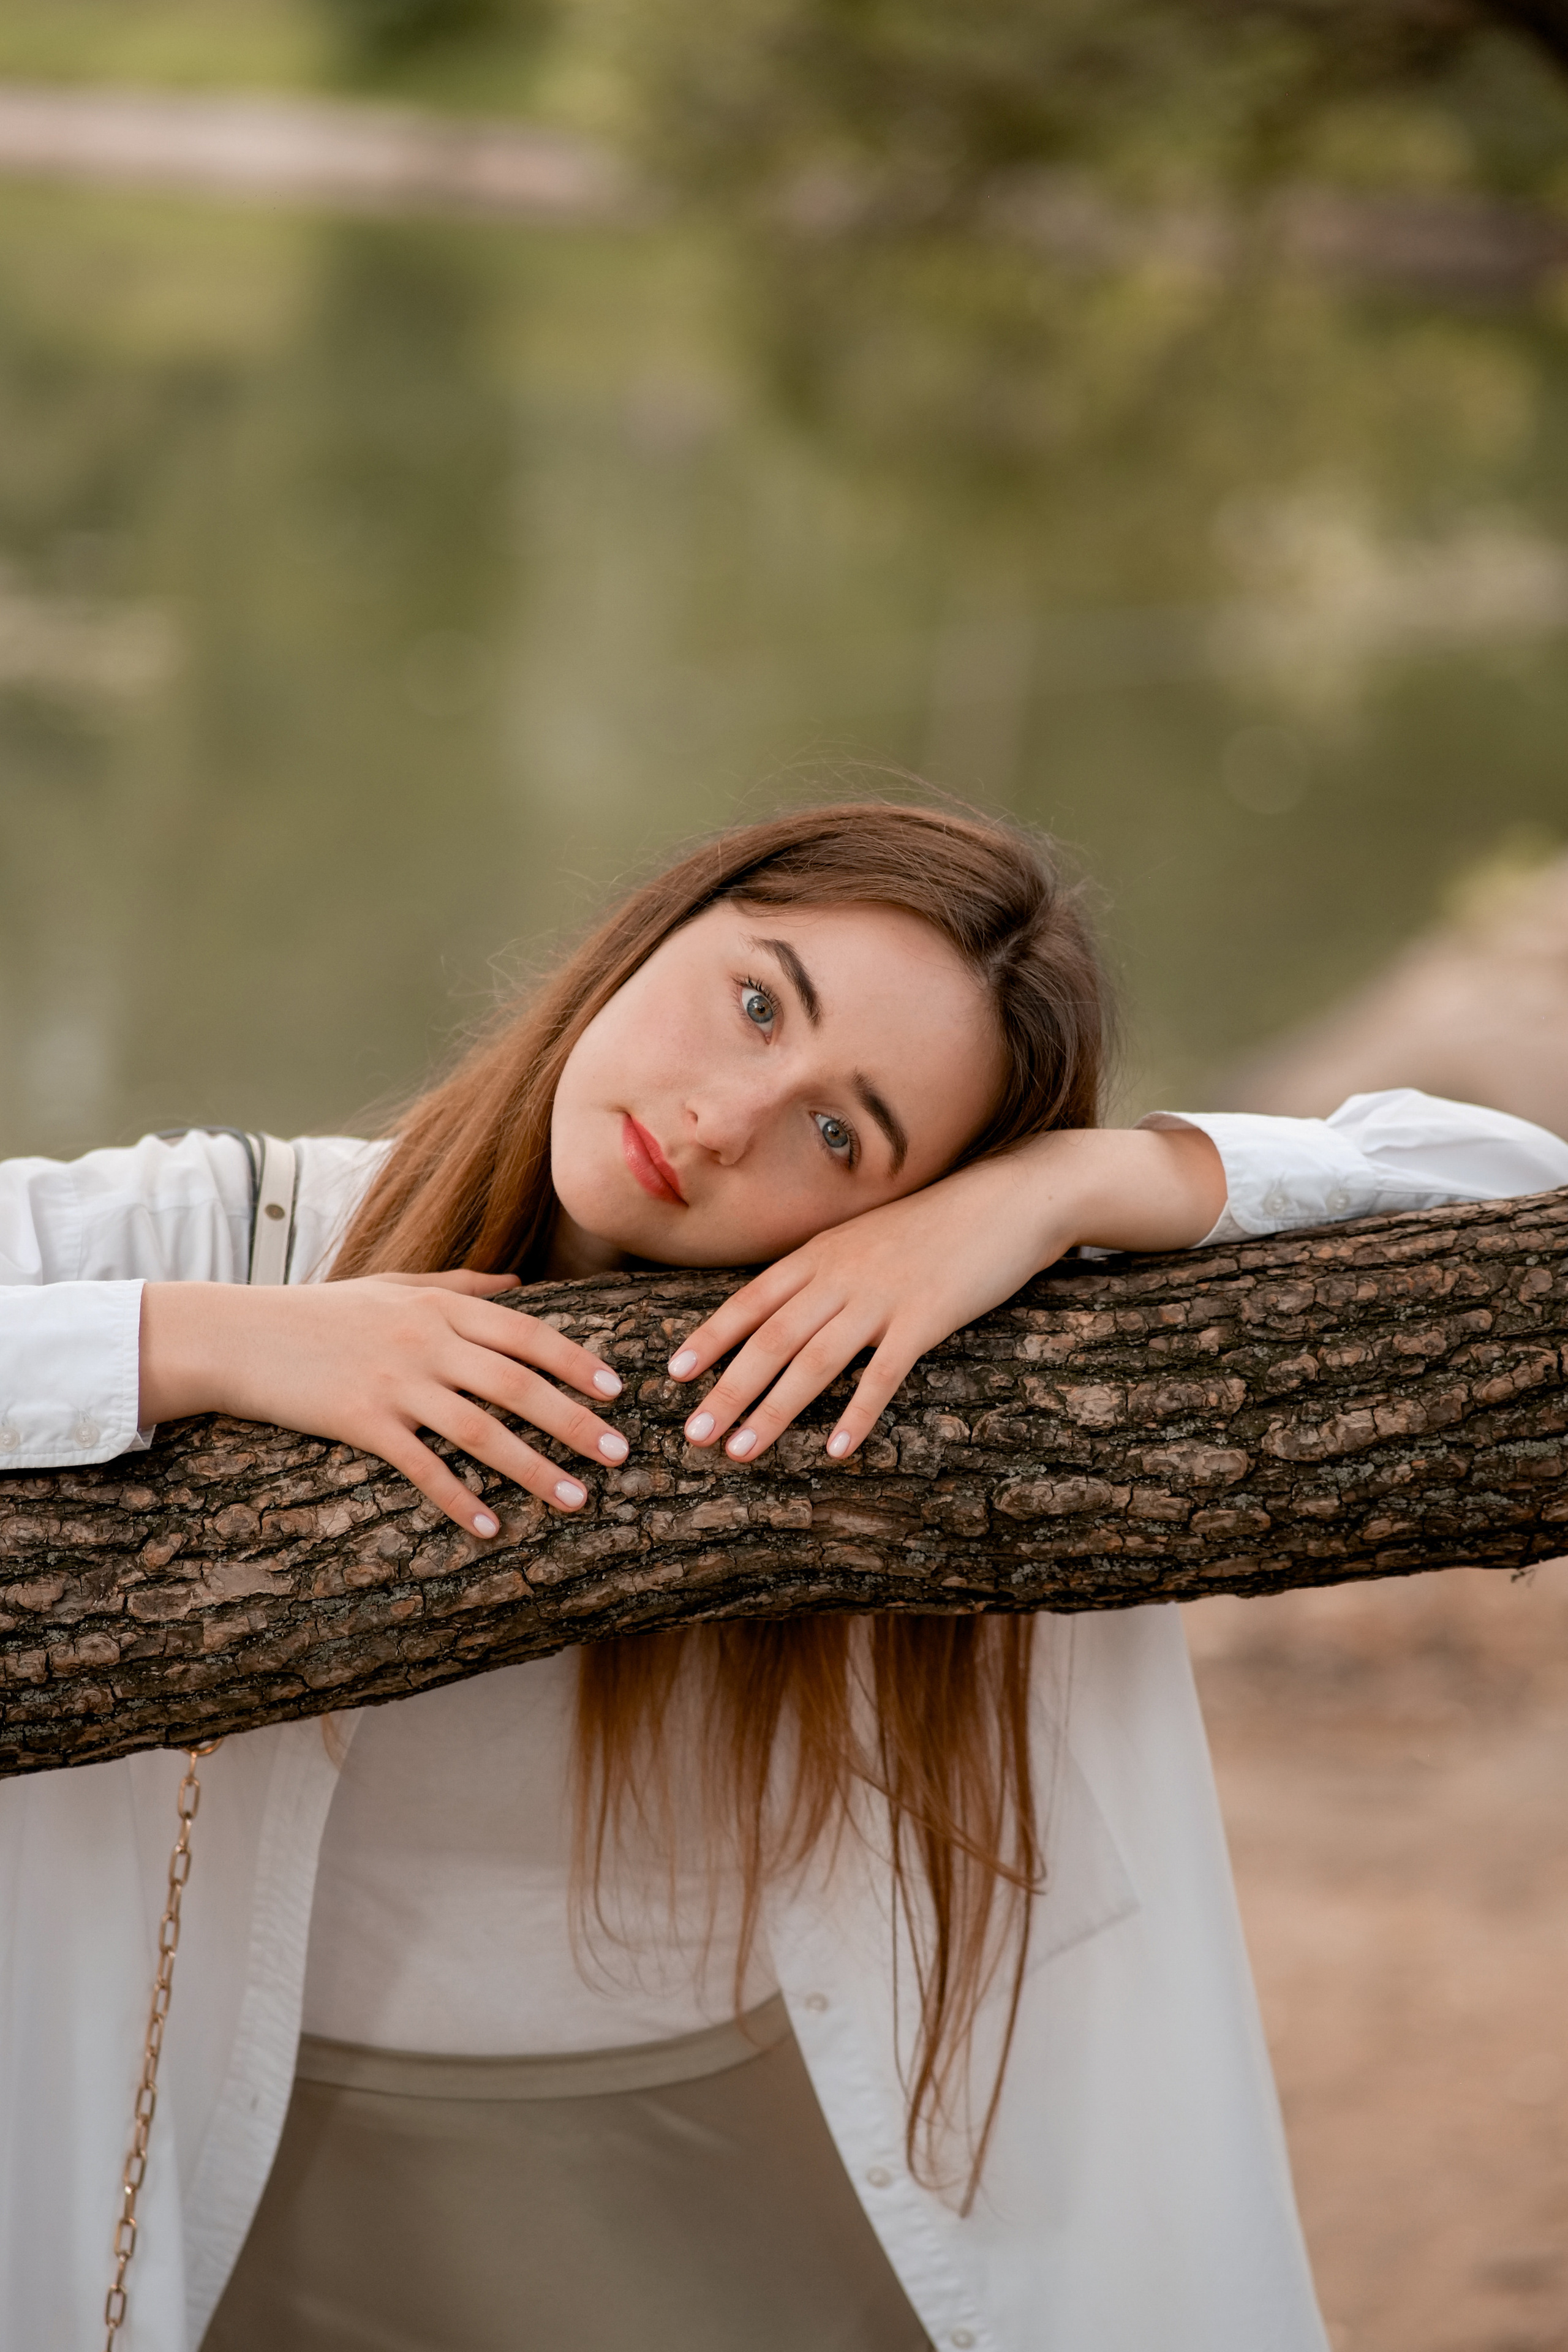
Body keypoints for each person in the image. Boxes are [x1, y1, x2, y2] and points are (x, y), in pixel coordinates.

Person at [2, 802, 1565, 2352]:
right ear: (665, 922)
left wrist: (1057, 1192)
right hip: (221, 2181)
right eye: (755, 1002)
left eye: (842, 1135)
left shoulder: (957, 1350)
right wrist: (200, 1338)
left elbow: (1502, 1200)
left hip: (733, 2180)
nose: (717, 1123)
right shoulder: (240, 1231)